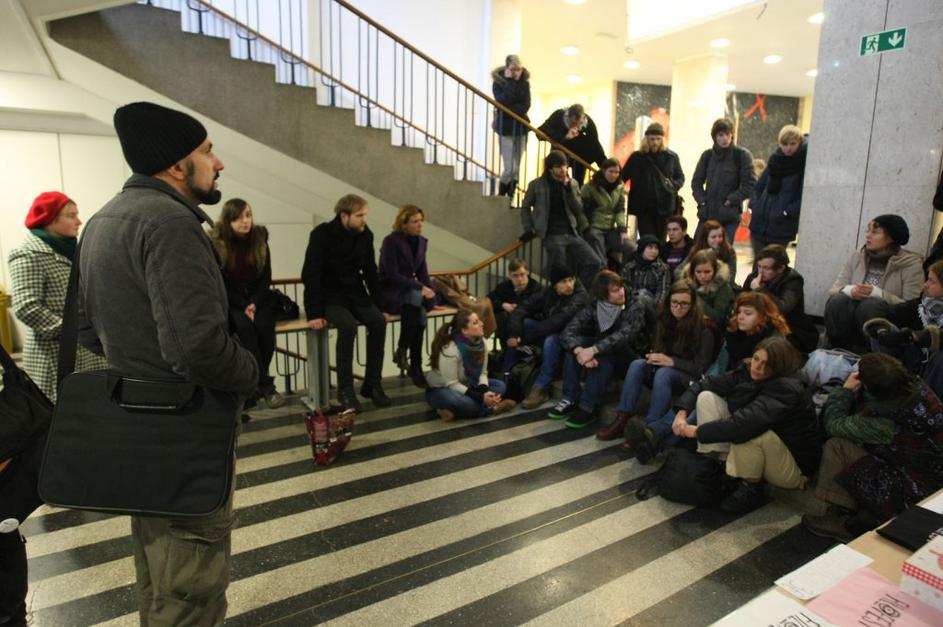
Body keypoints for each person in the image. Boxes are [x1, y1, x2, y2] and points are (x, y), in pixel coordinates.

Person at [75, 101, 259, 624]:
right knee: (191, 583)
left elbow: (86, 329)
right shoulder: (171, 224)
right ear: (178, 165)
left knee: (159, 570)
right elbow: (196, 347)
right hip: (185, 430)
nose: (218, 163)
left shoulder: (104, 220)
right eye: (207, 151)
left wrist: (139, 367)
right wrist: (250, 373)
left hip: (137, 425)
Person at [643, 337, 820, 514]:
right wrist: (682, 413)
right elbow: (705, 383)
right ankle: (717, 464)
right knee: (707, 397)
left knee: (750, 431)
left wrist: (697, 432)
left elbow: (745, 424)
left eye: (766, 364)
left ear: (778, 367)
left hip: (792, 467)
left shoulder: (787, 388)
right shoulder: (748, 371)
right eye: (756, 359)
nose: (757, 367)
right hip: (762, 447)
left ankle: (750, 487)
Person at [802, 353, 943, 542]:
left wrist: (844, 391)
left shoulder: (886, 423)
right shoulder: (918, 388)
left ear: (867, 386)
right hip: (931, 475)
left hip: (913, 490)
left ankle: (843, 520)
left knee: (836, 447)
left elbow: (834, 425)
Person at [8, 192, 107, 401]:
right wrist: (73, 332)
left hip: (88, 352)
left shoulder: (73, 251)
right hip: (55, 356)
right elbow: (27, 307)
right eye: (71, 215)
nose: (79, 221)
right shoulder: (28, 254)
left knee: (91, 409)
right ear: (49, 220)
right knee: (62, 413)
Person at [302, 194, 390, 412]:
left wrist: (381, 306)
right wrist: (314, 313)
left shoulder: (365, 234)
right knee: (348, 326)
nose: (364, 220)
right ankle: (345, 390)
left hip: (356, 293)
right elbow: (311, 273)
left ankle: (372, 384)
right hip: (331, 296)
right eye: (359, 215)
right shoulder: (322, 234)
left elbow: (370, 271)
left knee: (378, 322)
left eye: (365, 215)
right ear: (344, 216)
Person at [598, 282, 714, 444]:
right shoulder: (665, 319)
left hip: (687, 378)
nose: (678, 307)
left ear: (692, 305)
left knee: (664, 374)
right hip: (664, 369)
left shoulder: (704, 328)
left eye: (684, 304)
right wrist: (654, 356)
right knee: (637, 365)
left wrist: (671, 361)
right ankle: (622, 417)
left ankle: (650, 427)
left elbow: (700, 368)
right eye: (674, 302)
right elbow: (659, 347)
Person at [209, 198, 284, 409]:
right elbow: (220, 281)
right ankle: (266, 386)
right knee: (244, 330)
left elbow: (265, 276)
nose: (245, 221)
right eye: (238, 218)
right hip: (232, 299)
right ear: (228, 221)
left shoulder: (259, 239)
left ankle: (256, 385)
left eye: (248, 215)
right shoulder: (217, 243)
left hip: (258, 298)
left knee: (265, 329)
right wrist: (243, 304)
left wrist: (254, 303)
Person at [550, 270, 649, 429]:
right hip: (604, 347)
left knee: (605, 352)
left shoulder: (635, 304)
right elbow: (568, 331)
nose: (621, 292)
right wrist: (579, 351)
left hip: (631, 355)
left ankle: (588, 408)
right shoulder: (596, 304)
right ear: (603, 295)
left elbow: (625, 335)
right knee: (575, 346)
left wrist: (594, 350)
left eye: (621, 287)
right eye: (615, 291)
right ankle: (570, 397)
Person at [825, 215, 924, 352]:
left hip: (885, 323)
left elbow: (913, 306)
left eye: (875, 232)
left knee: (870, 305)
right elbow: (835, 289)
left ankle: (874, 354)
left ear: (891, 237)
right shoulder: (857, 256)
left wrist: (878, 294)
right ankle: (837, 350)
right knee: (838, 300)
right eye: (868, 231)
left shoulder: (910, 264)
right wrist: (851, 290)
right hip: (849, 320)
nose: (868, 235)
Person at [505, 263, 589, 409]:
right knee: (523, 324)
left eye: (571, 280)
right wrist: (514, 334)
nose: (569, 285)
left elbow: (560, 320)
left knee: (551, 339)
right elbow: (521, 310)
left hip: (572, 337)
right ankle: (508, 373)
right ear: (555, 285)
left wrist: (523, 339)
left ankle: (541, 388)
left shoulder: (580, 296)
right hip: (550, 330)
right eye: (564, 282)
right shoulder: (548, 293)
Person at [519, 150, 603, 290]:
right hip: (551, 233)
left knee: (594, 262)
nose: (563, 170)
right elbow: (525, 207)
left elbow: (578, 208)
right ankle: (557, 293)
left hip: (571, 232)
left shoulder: (573, 183)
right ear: (550, 168)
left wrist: (568, 189)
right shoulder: (537, 184)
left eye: (564, 166)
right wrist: (529, 228)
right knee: (559, 270)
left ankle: (577, 290)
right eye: (558, 166)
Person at [863, 259, 943, 399]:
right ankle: (886, 389)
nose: (925, 285)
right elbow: (895, 313)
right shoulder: (923, 303)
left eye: (931, 281)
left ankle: (927, 402)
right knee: (882, 327)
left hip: (933, 371)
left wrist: (919, 336)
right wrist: (882, 329)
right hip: (914, 361)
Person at [378, 204, 437, 389]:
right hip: (391, 291)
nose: (420, 225)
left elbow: (422, 272)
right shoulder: (390, 241)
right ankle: (405, 352)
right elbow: (391, 274)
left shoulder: (421, 242)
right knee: (415, 296)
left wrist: (430, 294)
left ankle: (413, 362)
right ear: (404, 224)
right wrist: (420, 287)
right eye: (415, 221)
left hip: (410, 293)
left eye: (421, 221)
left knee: (421, 312)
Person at [425, 310, 517, 420]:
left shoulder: (481, 343)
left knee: (500, 386)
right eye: (475, 323)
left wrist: (484, 392)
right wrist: (480, 397)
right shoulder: (451, 349)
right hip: (442, 389)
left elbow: (483, 373)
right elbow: (452, 384)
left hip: (470, 384)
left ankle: (455, 412)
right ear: (464, 330)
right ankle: (492, 409)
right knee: (454, 399)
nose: (482, 324)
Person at [741, 245, 818, 354]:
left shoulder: (793, 280)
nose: (761, 272)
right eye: (759, 266)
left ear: (781, 269)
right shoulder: (754, 276)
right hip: (758, 322)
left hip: (787, 326)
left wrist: (759, 290)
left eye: (766, 268)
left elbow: (782, 308)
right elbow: (741, 301)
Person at [691, 117, 756, 243]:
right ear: (715, 137)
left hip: (729, 217)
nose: (725, 138)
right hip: (707, 215)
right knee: (698, 249)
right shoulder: (707, 156)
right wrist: (702, 201)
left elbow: (750, 184)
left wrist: (731, 200)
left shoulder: (741, 155)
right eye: (721, 135)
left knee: (724, 251)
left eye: (728, 134)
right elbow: (696, 182)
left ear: (732, 135)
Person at [620, 122, 685, 240]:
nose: (655, 142)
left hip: (665, 206)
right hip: (643, 207)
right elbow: (622, 177)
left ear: (662, 140)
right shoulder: (636, 157)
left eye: (658, 139)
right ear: (646, 140)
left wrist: (673, 186)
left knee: (661, 241)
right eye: (652, 139)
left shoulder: (671, 157)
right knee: (648, 239)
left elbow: (680, 177)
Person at [749, 125, 808, 255]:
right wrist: (755, 206)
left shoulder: (802, 164)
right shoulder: (775, 160)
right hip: (760, 222)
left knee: (774, 263)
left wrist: (786, 212)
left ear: (799, 143)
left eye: (793, 144)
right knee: (758, 264)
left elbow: (803, 196)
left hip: (782, 227)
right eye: (785, 144)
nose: (788, 148)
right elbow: (759, 186)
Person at [711, 291, 792, 374]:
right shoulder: (738, 331)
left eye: (748, 313)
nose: (740, 317)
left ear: (764, 316)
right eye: (739, 312)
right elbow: (721, 364)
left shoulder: (773, 342)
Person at [537, 104, 607, 185]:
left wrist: (605, 166)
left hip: (579, 160)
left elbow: (595, 145)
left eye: (579, 123)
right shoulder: (559, 115)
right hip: (560, 156)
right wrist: (564, 136)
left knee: (578, 184)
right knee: (557, 182)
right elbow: (541, 131)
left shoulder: (589, 124)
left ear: (583, 119)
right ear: (568, 116)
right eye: (573, 123)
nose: (576, 126)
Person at [491, 54, 531, 197]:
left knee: (517, 169)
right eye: (513, 69)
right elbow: (502, 102)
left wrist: (510, 109)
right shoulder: (499, 83)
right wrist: (509, 81)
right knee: (510, 168)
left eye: (518, 69)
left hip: (521, 129)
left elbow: (526, 106)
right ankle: (501, 195)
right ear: (507, 68)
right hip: (505, 130)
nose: (516, 73)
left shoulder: (525, 84)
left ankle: (510, 198)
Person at [580, 158, 632, 266]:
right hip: (594, 227)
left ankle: (626, 272)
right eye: (611, 172)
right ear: (604, 171)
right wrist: (586, 228)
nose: (614, 175)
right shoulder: (590, 187)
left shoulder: (620, 186)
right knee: (600, 260)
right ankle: (603, 274)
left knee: (631, 247)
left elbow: (620, 210)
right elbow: (581, 210)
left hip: (610, 228)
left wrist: (622, 229)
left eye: (617, 172)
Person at [487, 257, 542, 352]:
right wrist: (503, 305)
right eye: (515, 276)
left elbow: (536, 309)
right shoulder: (504, 287)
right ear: (509, 275)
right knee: (501, 317)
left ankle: (511, 351)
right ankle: (508, 350)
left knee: (519, 321)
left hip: (530, 320)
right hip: (509, 324)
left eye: (522, 274)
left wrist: (517, 308)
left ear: (527, 273)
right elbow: (489, 299)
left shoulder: (536, 288)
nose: (519, 279)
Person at [680, 249, 735, 329]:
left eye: (707, 272)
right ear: (692, 271)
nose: (702, 276)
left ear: (715, 270)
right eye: (698, 272)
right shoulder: (685, 285)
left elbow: (717, 317)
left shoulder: (723, 288)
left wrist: (694, 297)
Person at [674, 218, 737, 286]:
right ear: (705, 238)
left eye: (720, 236)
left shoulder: (729, 251)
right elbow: (678, 270)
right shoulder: (696, 251)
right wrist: (691, 281)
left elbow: (731, 277)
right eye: (713, 237)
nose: (718, 239)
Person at [621, 235, 671, 308]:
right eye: (650, 247)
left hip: (652, 306)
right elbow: (625, 287)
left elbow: (662, 292)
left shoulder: (662, 268)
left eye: (656, 248)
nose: (654, 251)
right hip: (631, 304)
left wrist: (655, 309)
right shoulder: (630, 267)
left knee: (642, 294)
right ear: (642, 249)